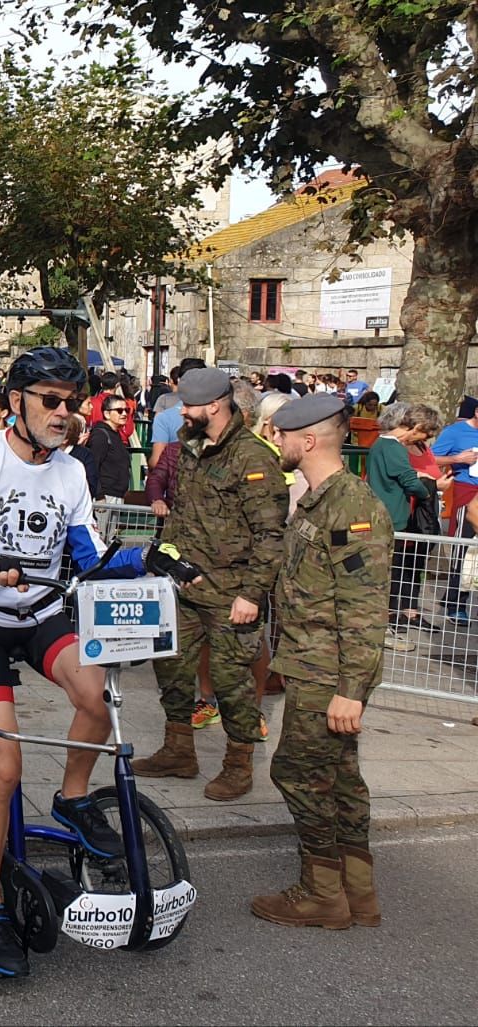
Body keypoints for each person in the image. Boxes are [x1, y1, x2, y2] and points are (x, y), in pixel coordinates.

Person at [0, 345, 191, 977]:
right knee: (4, 766)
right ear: (16, 402)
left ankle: (74, 796)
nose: (64, 413)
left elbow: (90, 556)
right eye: (51, 401)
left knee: (99, 695)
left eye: (71, 403)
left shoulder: (70, 471)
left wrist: (146, 558)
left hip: (42, 614)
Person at [250, 393, 390, 929]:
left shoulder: (350, 507)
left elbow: (364, 605)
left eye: (282, 435)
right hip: (317, 663)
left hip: (327, 669)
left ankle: (320, 893)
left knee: (298, 773)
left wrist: (350, 689)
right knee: (340, 776)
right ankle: (358, 893)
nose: (276, 442)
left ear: (307, 440)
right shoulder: (318, 500)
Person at [132, 368, 289, 800]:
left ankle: (239, 765)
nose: (182, 411)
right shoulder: (189, 446)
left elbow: (271, 535)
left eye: (189, 405)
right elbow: (184, 511)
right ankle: (178, 749)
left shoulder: (253, 459)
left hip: (230, 592)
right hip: (185, 584)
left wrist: (251, 594)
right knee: (171, 667)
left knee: (231, 680)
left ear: (215, 406)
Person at [367, 403, 447, 649]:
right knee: (389, 574)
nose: (426, 439)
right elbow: (410, 483)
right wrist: (430, 488)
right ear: (417, 427)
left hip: (383, 515)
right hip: (393, 519)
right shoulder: (394, 448)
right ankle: (384, 629)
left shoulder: (380, 445)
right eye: (426, 433)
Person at [430, 398, 478, 625]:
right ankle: (456, 603)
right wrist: (458, 459)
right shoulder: (455, 432)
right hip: (467, 492)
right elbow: (431, 459)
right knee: (464, 548)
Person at [86, 394, 131, 502]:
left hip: (117, 495)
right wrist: (99, 495)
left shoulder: (115, 434)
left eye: (127, 410)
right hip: (105, 497)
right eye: (119, 410)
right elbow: (92, 466)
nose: (124, 414)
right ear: (107, 413)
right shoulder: (100, 435)